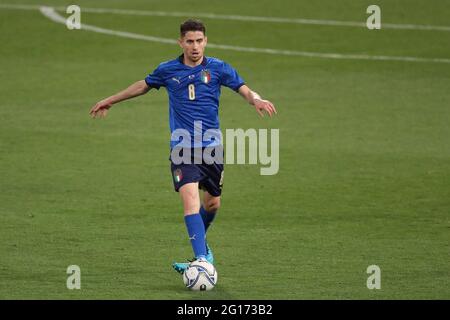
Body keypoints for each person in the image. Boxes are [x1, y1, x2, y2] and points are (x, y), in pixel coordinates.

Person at [89, 19, 277, 274]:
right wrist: (110, 100)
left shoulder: (219, 68)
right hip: (182, 147)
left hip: (211, 148)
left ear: (205, 42)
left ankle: (201, 248)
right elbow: (143, 85)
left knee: (212, 205)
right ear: (181, 42)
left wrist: (256, 99)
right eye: (190, 41)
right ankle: (201, 259)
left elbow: (243, 88)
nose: (195, 46)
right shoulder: (167, 70)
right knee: (190, 202)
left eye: (199, 41)